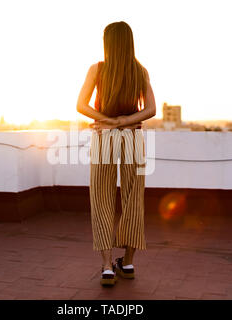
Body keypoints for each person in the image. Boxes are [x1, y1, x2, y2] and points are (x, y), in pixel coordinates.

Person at [76, 21, 156, 286]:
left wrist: (108, 121)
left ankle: (107, 267)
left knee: (102, 197)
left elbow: (81, 105)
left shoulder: (98, 69)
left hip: (104, 137)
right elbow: (151, 109)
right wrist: (125, 122)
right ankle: (129, 263)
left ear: (107, 42)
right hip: (132, 136)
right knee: (134, 197)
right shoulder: (140, 70)